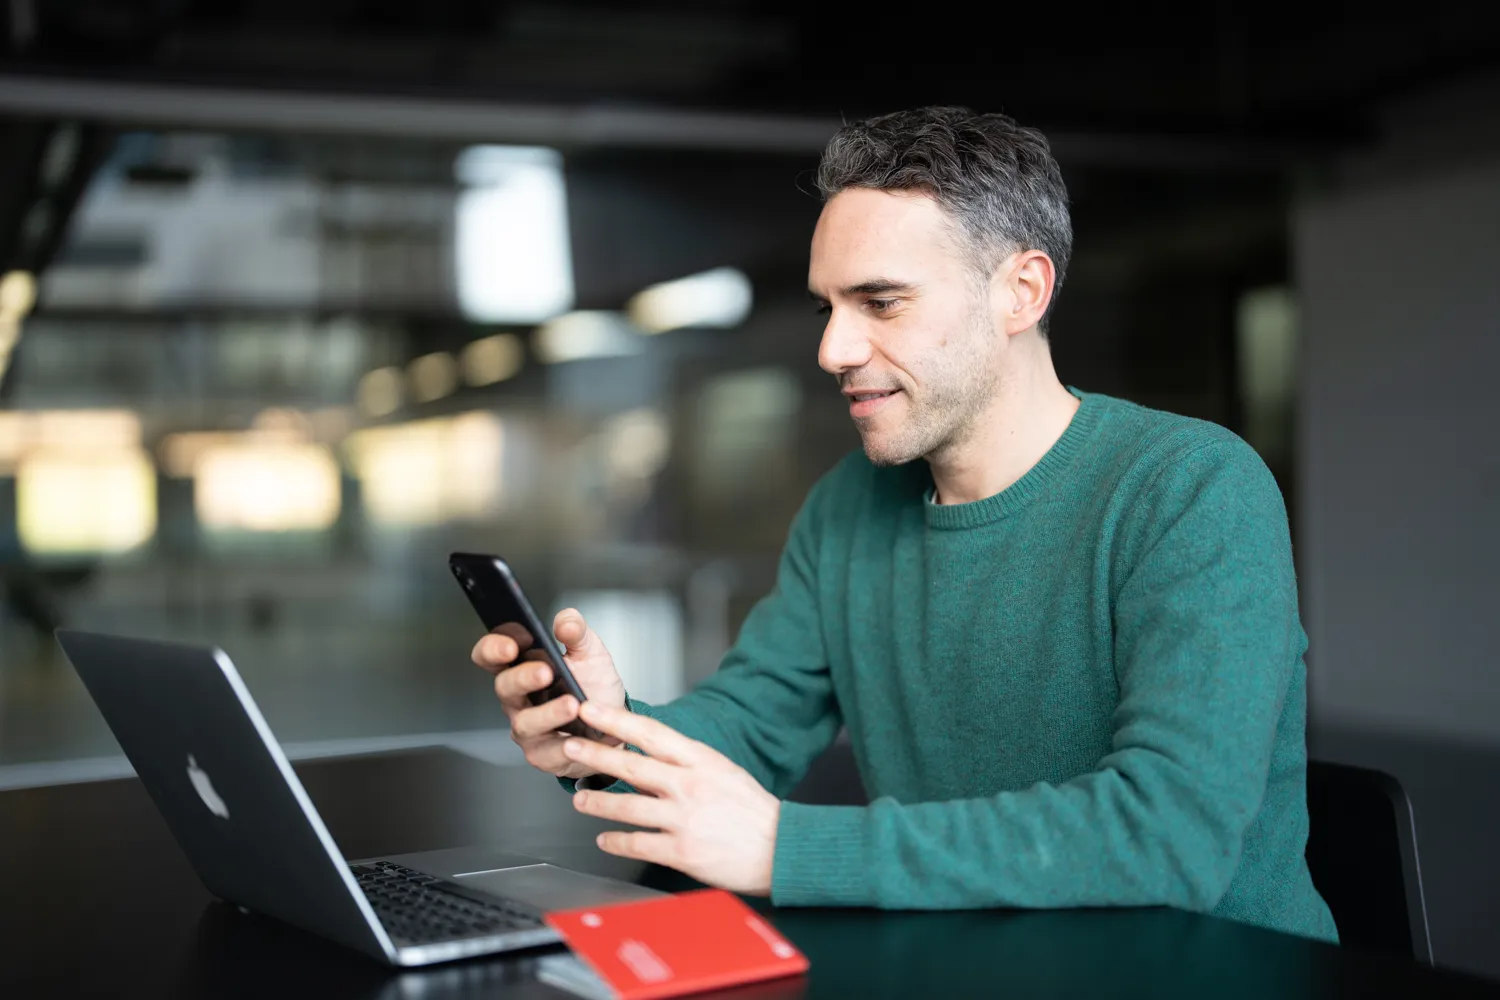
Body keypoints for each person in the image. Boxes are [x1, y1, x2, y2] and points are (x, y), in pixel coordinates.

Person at [472, 106, 1337, 942]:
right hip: (972, 962)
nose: (833, 350)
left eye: (880, 303)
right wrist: (606, 729)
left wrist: (787, 848)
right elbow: (749, 724)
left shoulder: (1192, 489)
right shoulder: (848, 505)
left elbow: (1168, 836)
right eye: (828, 309)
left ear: (1022, 292)